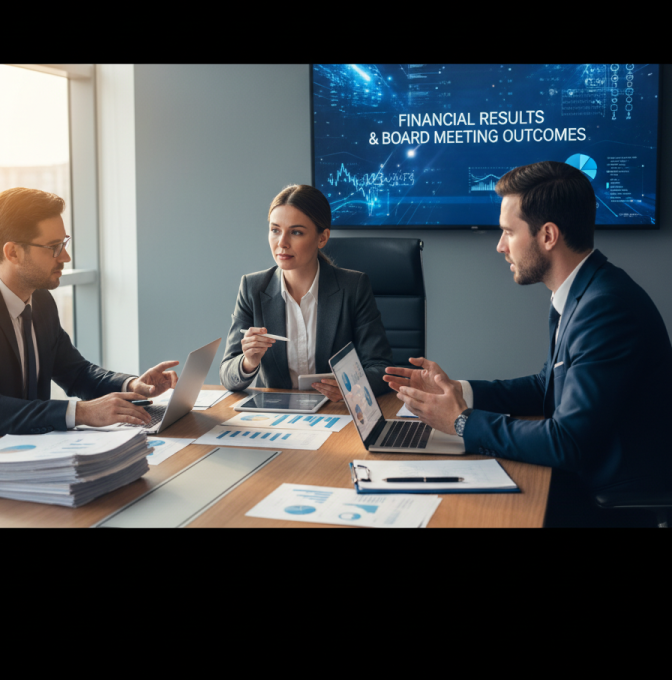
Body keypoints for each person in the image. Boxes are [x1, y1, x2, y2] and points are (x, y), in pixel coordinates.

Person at [383, 161, 672, 523]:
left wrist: (461, 421)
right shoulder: (586, 292)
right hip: (584, 475)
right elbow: (546, 387)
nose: (500, 246)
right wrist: (458, 390)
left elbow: (568, 442)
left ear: (548, 235)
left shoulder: (607, 309)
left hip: (605, 496)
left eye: (508, 232)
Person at [0, 188, 180, 450]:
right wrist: (83, 412)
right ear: (13, 253)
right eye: (53, 248)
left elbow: (77, 373)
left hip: (22, 448)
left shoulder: (40, 300)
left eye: (63, 244)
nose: (65, 257)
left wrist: (134, 385)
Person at [220, 184, 392, 400]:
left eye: (296, 232)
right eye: (275, 230)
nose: (281, 243)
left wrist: (351, 388)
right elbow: (227, 375)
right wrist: (248, 362)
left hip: (335, 413)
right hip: (275, 416)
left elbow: (380, 367)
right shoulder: (252, 287)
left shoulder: (353, 287)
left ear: (322, 238)